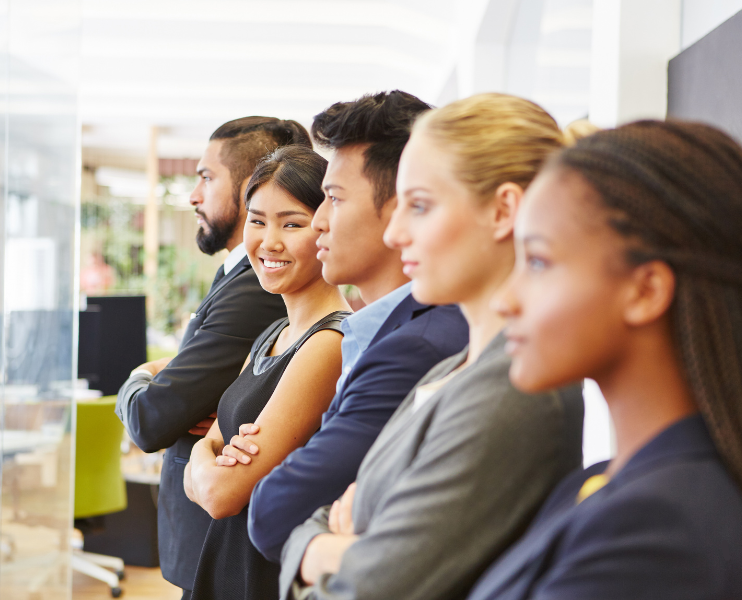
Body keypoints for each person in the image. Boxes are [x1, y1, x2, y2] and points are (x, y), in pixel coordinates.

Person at [279, 93, 585, 600]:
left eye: (419, 205)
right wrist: (327, 544)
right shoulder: (452, 368)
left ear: (504, 211)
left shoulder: (515, 388)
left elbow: (371, 586)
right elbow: (315, 522)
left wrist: (318, 550)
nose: (397, 233)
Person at [466, 120, 742, 600]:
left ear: (644, 290)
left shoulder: (659, 525)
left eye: (538, 262)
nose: (506, 299)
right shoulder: (602, 484)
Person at [217, 91, 468, 563]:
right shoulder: (371, 331)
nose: (320, 223)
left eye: (332, 199)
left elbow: (272, 512)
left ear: (401, 207)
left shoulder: (417, 343)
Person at [114, 117, 305, 595]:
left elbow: (150, 419)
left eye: (205, 177)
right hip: (203, 531)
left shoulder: (255, 292)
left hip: (217, 536)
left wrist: (139, 374)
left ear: (248, 189)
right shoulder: (240, 281)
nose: (194, 196)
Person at [184, 145, 353, 600]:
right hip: (225, 560)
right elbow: (209, 458)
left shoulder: (329, 343)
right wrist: (209, 455)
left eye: (291, 224)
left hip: (260, 570)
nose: (268, 241)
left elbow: (222, 496)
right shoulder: (273, 333)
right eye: (257, 221)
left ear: (325, 226)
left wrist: (207, 457)